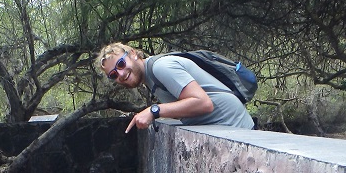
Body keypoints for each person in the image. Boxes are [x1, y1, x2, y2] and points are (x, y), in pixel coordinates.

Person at [96, 42, 255, 131]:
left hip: (237, 129)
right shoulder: (151, 80)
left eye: (121, 64)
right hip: (225, 131)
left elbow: (203, 103)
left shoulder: (161, 67)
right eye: (113, 75)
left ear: (133, 54)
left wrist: (154, 111)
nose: (121, 74)